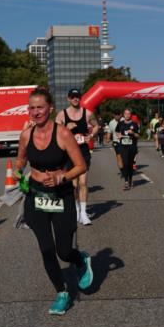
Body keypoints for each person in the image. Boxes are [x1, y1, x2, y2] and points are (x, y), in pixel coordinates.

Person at [15, 87, 93, 315]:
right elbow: (20, 160)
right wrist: (19, 173)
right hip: (36, 197)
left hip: (61, 195)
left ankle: (80, 260)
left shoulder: (62, 134)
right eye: (31, 107)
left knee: (64, 251)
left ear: (50, 108)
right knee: (46, 249)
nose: (35, 112)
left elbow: (81, 165)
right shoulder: (26, 135)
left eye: (40, 107)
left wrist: (62, 177)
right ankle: (62, 292)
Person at [55, 88, 100, 226]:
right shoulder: (62, 115)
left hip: (83, 152)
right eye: (73, 96)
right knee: (73, 185)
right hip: (69, 154)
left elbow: (97, 126)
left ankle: (83, 214)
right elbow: (55, 133)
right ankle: (76, 209)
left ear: (80, 98)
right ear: (68, 99)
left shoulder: (87, 114)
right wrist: (66, 128)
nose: (75, 99)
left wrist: (91, 136)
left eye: (77, 96)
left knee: (83, 183)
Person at [115, 108, 140, 190]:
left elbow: (138, 136)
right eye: (126, 113)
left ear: (131, 115)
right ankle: (126, 181)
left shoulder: (134, 124)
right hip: (123, 146)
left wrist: (133, 133)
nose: (127, 115)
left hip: (132, 146)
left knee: (130, 164)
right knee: (125, 163)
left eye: (129, 114)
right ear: (123, 114)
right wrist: (119, 135)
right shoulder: (120, 123)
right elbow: (117, 131)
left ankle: (130, 179)